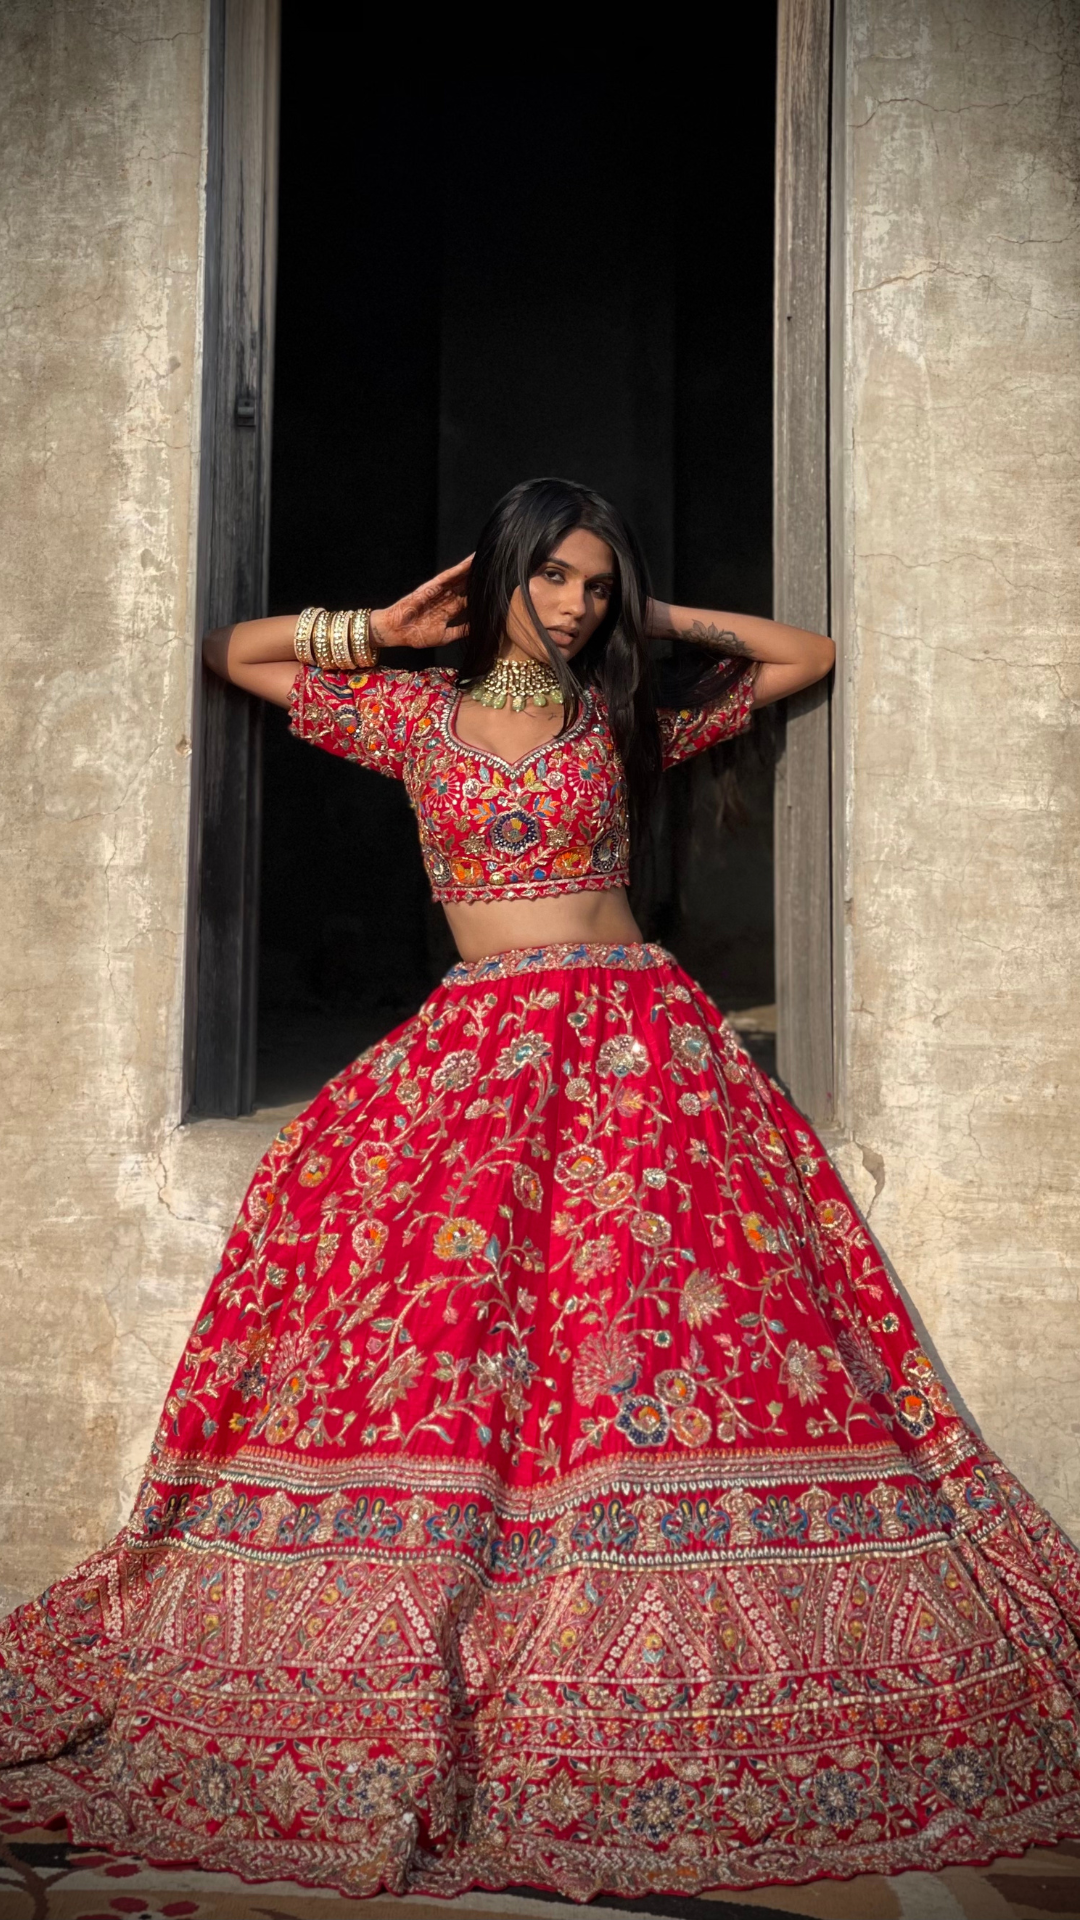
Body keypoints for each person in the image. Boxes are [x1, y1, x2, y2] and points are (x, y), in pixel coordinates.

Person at [2, 477, 1078, 1903]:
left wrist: (658, 613)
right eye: (558, 579)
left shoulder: (621, 718)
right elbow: (236, 655)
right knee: (461, 1342)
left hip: (639, 1046)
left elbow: (800, 657)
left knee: (660, 1339)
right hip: (482, 1052)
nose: (577, 605)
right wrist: (369, 630)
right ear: (505, 573)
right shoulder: (411, 717)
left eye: (596, 585)